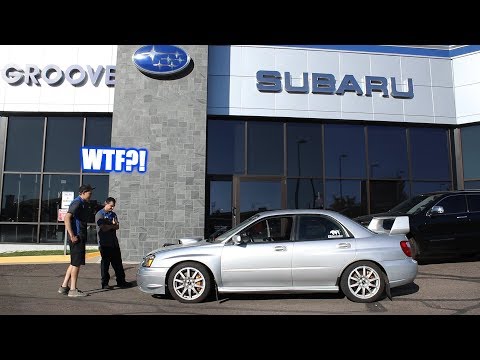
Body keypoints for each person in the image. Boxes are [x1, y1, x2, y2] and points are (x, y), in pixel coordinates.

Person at [58, 184, 94, 297]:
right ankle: (73, 290)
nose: (91, 195)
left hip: (79, 237)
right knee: (76, 264)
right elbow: (66, 217)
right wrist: (72, 235)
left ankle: (64, 287)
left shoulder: (83, 203)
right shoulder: (77, 202)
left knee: (74, 263)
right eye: (89, 193)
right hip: (76, 238)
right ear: (83, 192)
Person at [95, 197, 131, 289]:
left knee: (118, 263)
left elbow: (117, 226)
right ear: (105, 203)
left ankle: (121, 281)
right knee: (105, 265)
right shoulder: (100, 214)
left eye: (113, 206)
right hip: (104, 244)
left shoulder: (113, 214)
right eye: (111, 206)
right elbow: (103, 228)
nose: (112, 208)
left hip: (114, 243)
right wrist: (112, 225)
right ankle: (105, 283)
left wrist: (111, 226)